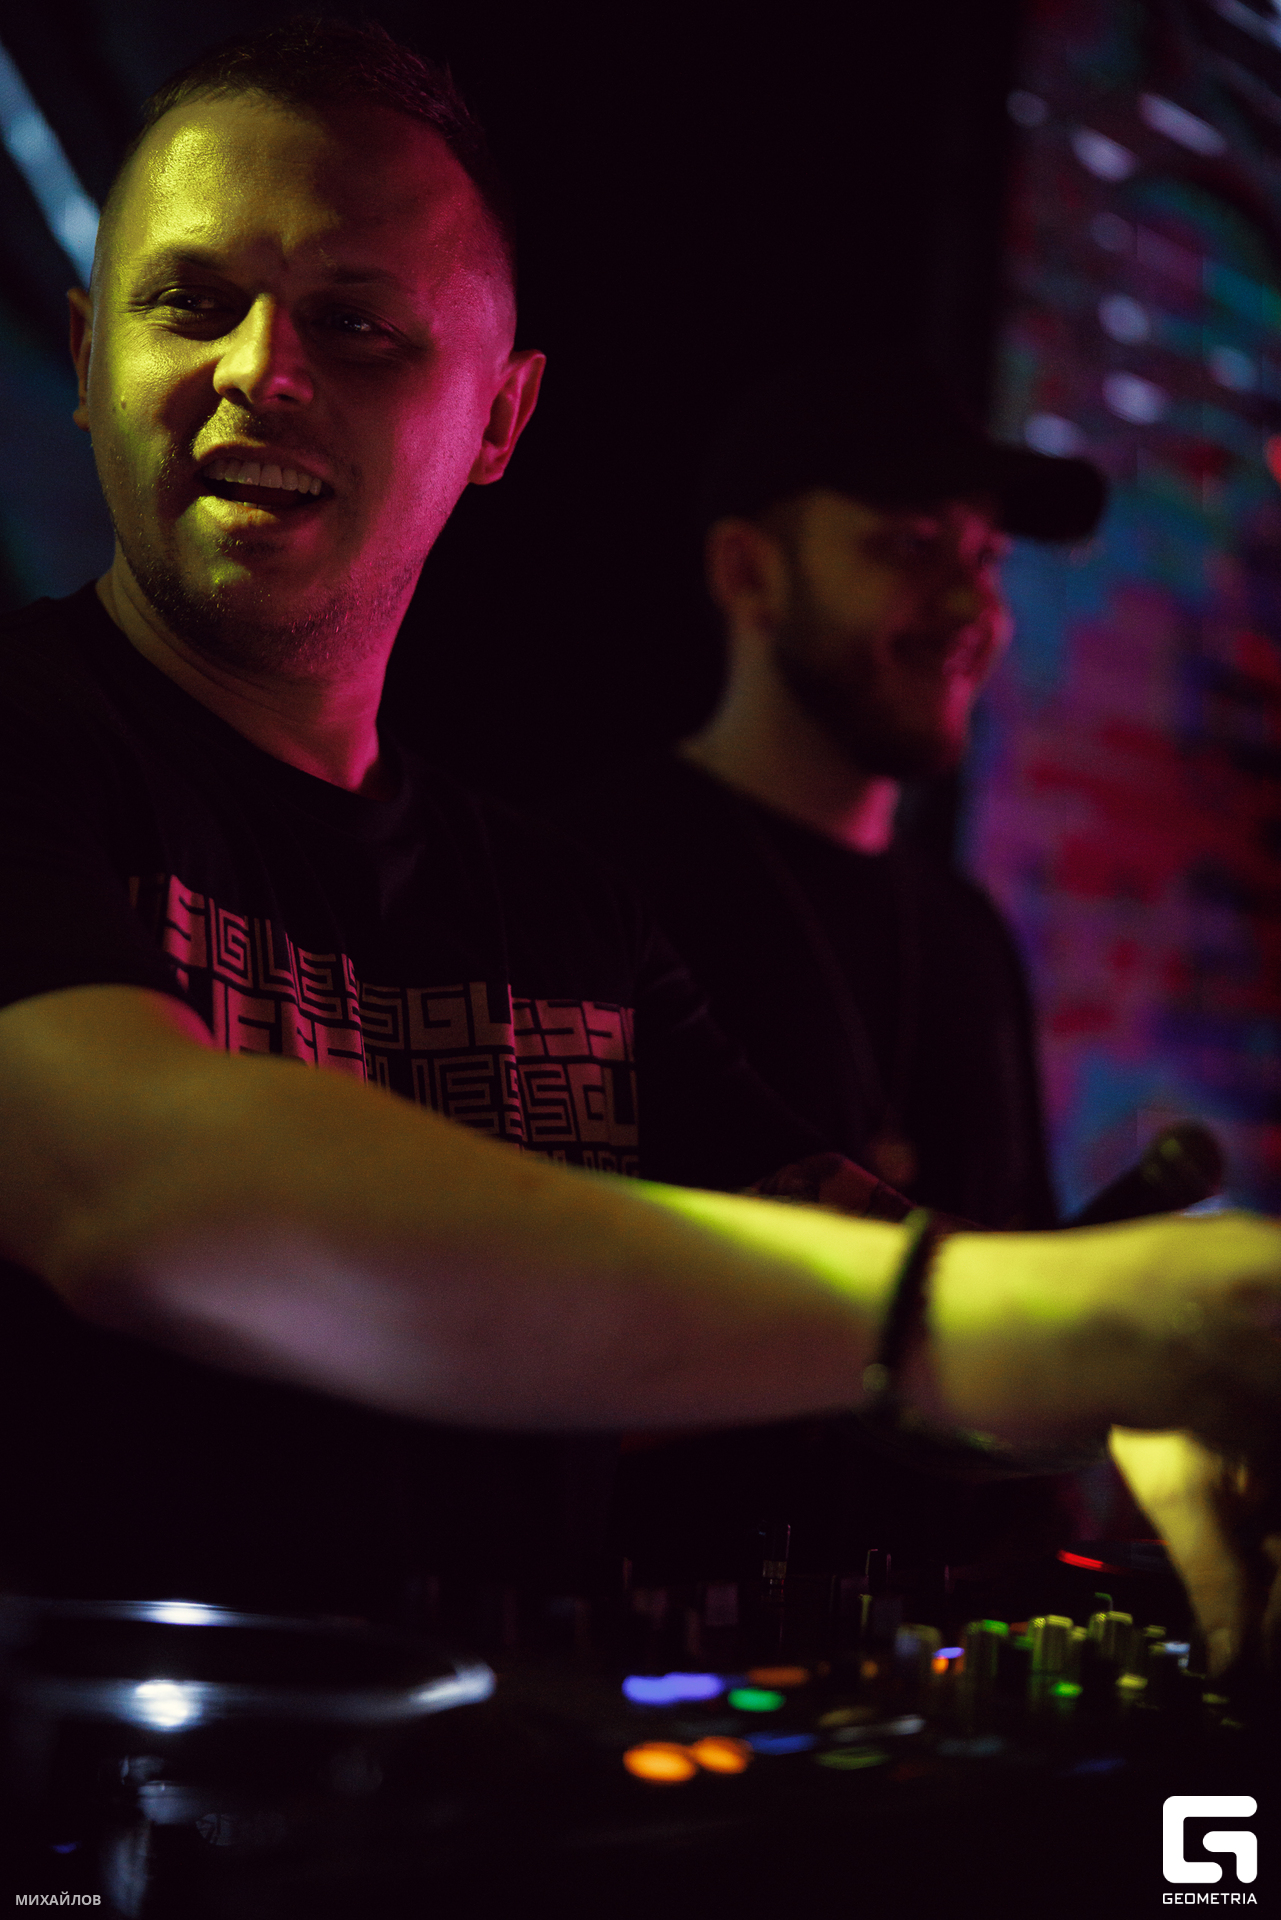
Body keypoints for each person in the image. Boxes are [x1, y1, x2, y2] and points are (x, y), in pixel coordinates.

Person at [0, 21, 1277, 1675]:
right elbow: (143, 1190)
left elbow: (864, 1316)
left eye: (356, 322)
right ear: (88, 351)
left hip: (495, 1800)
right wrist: (1027, 1320)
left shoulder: (565, 916)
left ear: (500, 420)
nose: (261, 368)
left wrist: (1137, 1360)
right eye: (189, 301)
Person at [575, 365, 1107, 1231]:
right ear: (748, 573)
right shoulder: (586, 884)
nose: (971, 604)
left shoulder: (970, 938)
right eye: (911, 545)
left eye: (985, 558)